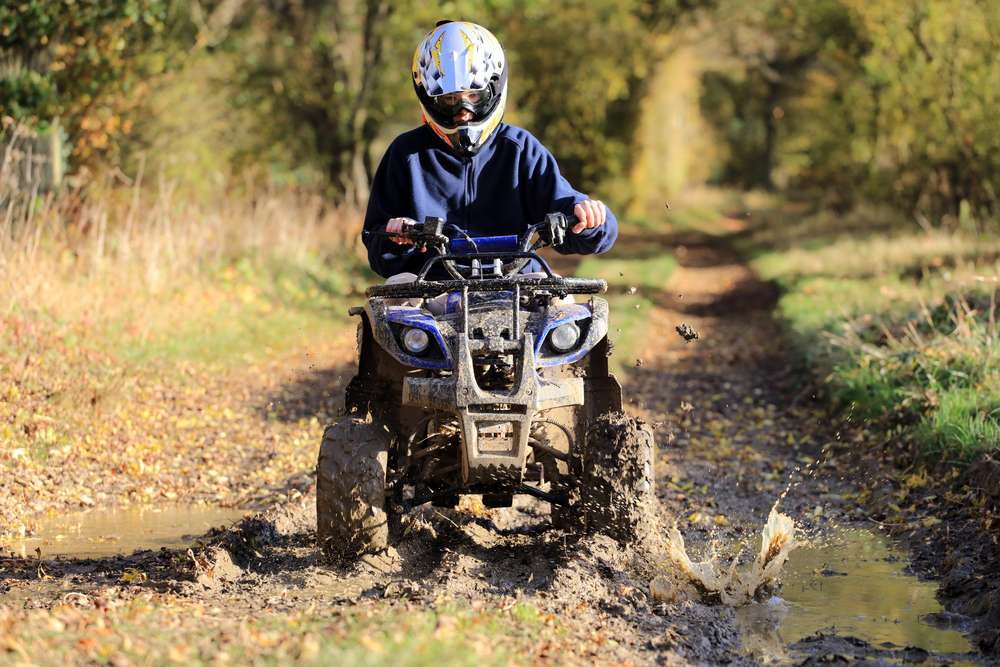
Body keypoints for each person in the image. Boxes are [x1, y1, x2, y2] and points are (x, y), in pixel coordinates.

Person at [362, 20, 617, 287]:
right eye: (449, 99)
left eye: (473, 95)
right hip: (428, 292)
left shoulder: (520, 149)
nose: (462, 110)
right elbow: (378, 250)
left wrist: (590, 220)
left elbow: (574, 210)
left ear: (494, 87)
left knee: (564, 316)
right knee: (392, 302)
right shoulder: (406, 155)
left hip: (518, 285)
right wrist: (395, 235)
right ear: (428, 97)